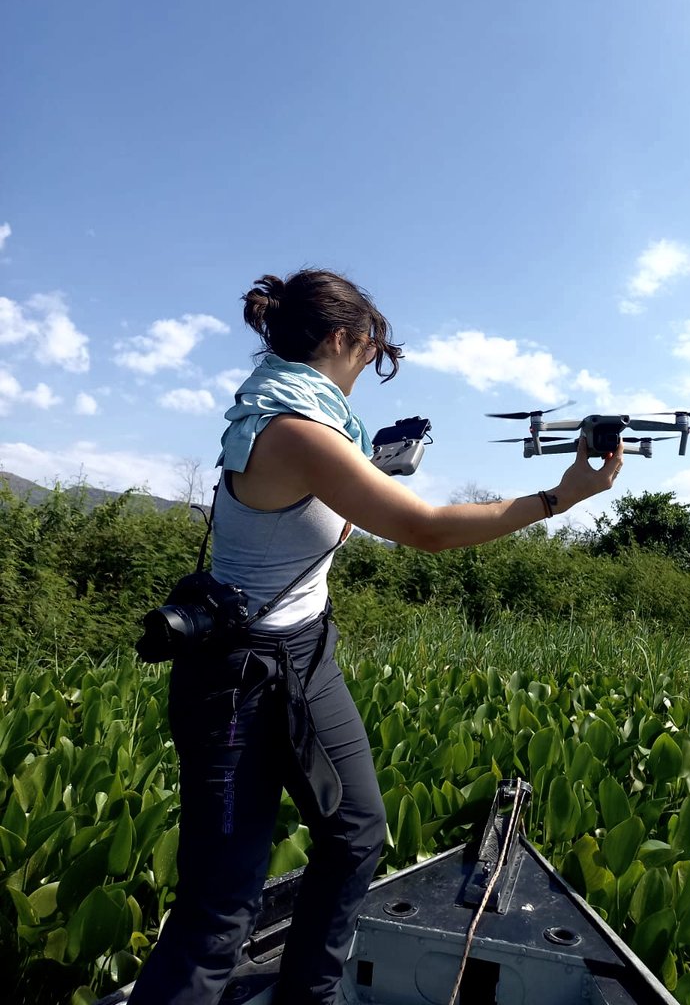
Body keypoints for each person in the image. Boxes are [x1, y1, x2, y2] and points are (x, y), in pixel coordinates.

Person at [129, 268, 624, 1005]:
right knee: (220, 904)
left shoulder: (307, 419)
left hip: (306, 652)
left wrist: (374, 470)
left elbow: (319, 524)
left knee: (356, 834)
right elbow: (424, 530)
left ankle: (312, 997)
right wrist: (558, 497)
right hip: (235, 678)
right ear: (339, 339)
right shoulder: (295, 429)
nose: (368, 371)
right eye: (368, 354)